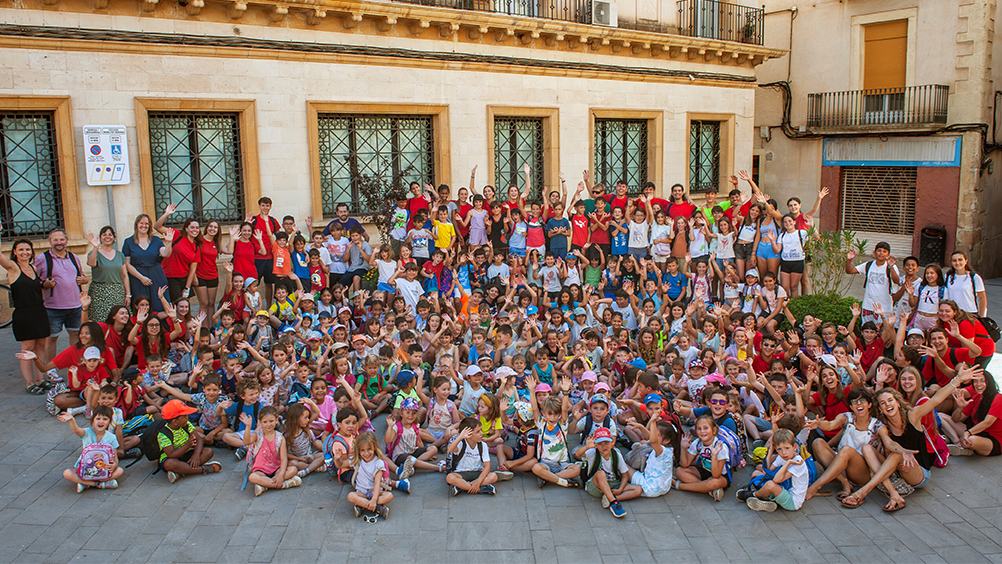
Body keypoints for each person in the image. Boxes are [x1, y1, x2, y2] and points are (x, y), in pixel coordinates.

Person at [1, 238, 51, 394]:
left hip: (39, 311)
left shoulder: (34, 268)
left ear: (32, 251)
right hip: (24, 313)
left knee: (41, 346)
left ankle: (41, 379)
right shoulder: (13, 268)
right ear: (14, 252)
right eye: (21, 249)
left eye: (27, 249)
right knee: (27, 349)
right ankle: (30, 383)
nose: (25, 252)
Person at [36, 228, 89, 370]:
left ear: (66, 241)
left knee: (76, 335)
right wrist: (44, 284)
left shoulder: (73, 257)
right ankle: (51, 369)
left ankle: (76, 366)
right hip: (53, 307)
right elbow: (34, 281)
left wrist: (84, 280)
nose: (59, 242)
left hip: (74, 305)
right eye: (55, 240)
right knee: (51, 338)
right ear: (49, 241)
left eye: (61, 239)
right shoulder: (42, 259)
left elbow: (82, 276)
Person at [57, 407, 123, 492]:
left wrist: (114, 466)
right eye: (98, 418)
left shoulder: (112, 438)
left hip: (103, 470)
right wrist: (72, 420)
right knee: (67, 473)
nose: (101, 421)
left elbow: (115, 459)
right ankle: (98, 484)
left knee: (119, 471)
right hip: (85, 469)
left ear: (109, 422)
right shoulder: (87, 432)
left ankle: (85, 483)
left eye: (105, 419)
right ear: (93, 421)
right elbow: (77, 431)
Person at [156, 399, 222, 483]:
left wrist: (196, 455)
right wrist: (187, 445)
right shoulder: (163, 434)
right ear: (175, 422)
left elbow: (199, 440)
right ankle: (203, 469)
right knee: (170, 464)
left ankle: (182, 472)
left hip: (187, 455)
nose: (187, 418)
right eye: (184, 416)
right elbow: (171, 455)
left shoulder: (186, 424)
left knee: (208, 451)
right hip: (173, 458)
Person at [123, 214, 171, 314]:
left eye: (146, 224)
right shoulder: (128, 242)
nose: (144, 226)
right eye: (141, 223)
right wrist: (141, 278)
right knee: (141, 304)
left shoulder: (156, 240)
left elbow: (165, 253)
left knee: (159, 302)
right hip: (138, 277)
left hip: (156, 275)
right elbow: (127, 264)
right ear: (136, 224)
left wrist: (169, 242)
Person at [153, 204, 202, 303]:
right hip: (170, 277)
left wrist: (187, 288)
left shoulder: (196, 247)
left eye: (197, 228)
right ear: (186, 229)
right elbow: (157, 227)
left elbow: (192, 270)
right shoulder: (176, 234)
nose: (195, 230)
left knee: (185, 306)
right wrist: (167, 214)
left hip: (183, 279)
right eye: (192, 227)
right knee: (176, 304)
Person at [84, 226, 129, 324]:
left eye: (110, 234)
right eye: (104, 235)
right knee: (100, 321)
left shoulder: (120, 255)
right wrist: (95, 248)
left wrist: (128, 294)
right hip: (99, 292)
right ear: (100, 238)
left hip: (117, 292)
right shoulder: (95, 253)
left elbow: (124, 276)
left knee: (117, 320)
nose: (107, 237)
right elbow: (91, 263)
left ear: (114, 238)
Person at [195, 220, 222, 328]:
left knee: (211, 303)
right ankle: (203, 328)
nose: (212, 229)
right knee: (204, 303)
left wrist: (232, 237)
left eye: (215, 227)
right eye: (211, 226)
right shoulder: (199, 240)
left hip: (213, 276)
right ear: (207, 227)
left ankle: (211, 327)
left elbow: (228, 250)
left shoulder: (216, 242)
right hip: (200, 276)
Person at [945, 251, 987, 317]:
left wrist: (981, 317)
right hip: (953, 313)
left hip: (969, 313)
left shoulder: (974, 277)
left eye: (960, 260)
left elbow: (982, 298)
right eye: (954, 261)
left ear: (966, 261)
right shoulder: (948, 277)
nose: (957, 263)